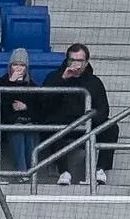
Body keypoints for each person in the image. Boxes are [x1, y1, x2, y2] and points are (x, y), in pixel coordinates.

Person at [38, 44, 114, 186]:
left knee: (111, 127)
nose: (76, 64)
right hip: (61, 125)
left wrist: (90, 120)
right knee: (53, 127)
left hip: (87, 124)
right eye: (72, 60)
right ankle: (64, 172)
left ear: (86, 62)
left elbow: (103, 109)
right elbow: (43, 104)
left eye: (80, 61)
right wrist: (63, 80)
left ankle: (100, 169)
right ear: (67, 60)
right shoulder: (54, 77)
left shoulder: (94, 82)